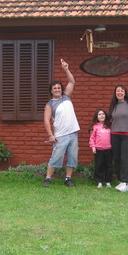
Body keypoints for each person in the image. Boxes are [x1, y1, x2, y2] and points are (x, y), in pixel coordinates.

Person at [43, 59, 80, 187]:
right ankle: (48, 178)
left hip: (73, 134)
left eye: (59, 87)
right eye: (55, 88)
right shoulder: (50, 104)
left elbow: (72, 81)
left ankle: (68, 179)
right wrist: (50, 135)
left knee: (72, 158)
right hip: (61, 136)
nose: (58, 89)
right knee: (56, 157)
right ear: (51, 91)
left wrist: (66, 69)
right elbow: (46, 121)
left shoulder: (66, 96)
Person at [108, 85, 128, 192]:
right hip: (115, 135)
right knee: (116, 158)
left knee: (124, 158)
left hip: (127, 135)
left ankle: (125, 182)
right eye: (118, 91)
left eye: (122, 91)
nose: (120, 93)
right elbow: (109, 120)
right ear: (115, 93)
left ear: (125, 93)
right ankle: (121, 180)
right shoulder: (114, 105)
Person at [88, 109, 113, 188]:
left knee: (108, 165)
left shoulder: (109, 126)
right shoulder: (95, 127)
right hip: (99, 149)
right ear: (97, 117)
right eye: (99, 114)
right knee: (99, 165)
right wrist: (93, 146)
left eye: (103, 114)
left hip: (109, 149)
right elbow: (92, 138)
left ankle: (108, 181)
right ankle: (99, 181)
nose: (102, 116)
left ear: (105, 116)